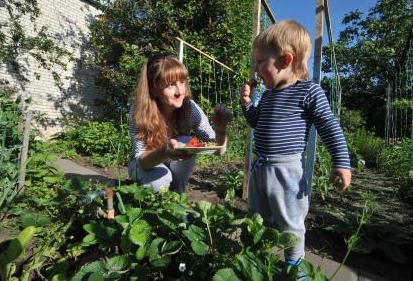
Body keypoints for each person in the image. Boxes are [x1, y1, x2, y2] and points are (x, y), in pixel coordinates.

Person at [240, 20, 351, 272]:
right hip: (260, 168)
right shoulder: (268, 94)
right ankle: (258, 260)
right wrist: (247, 105)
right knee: (257, 218)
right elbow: (256, 121)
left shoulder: (309, 92)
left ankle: (294, 266)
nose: (255, 69)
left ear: (285, 60)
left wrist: (341, 162)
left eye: (259, 62)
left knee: (291, 223)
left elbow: (329, 126)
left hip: (287, 172)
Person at [128, 53, 231, 194]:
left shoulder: (190, 108)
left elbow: (219, 151)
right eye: (171, 85)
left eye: (182, 82)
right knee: (160, 180)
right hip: (144, 165)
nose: (180, 92)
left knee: (186, 141)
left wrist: (221, 130)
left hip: (171, 162)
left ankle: (178, 199)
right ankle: (149, 207)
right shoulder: (139, 111)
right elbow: (142, 162)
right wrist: (165, 151)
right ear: (154, 89)